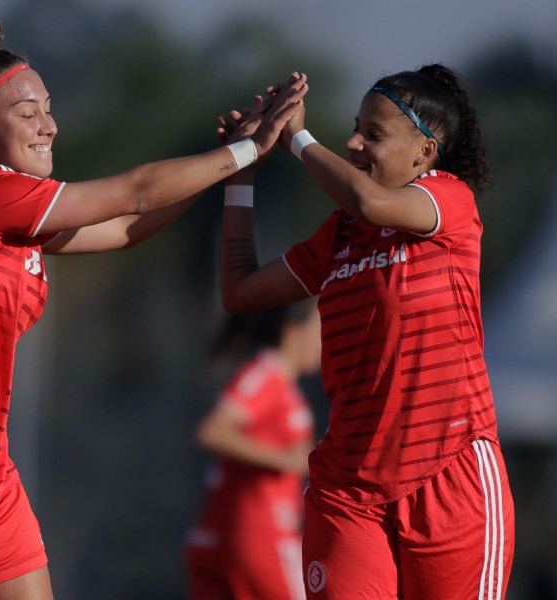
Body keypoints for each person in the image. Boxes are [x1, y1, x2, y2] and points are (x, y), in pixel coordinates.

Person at [0, 16, 308, 600]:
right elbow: (134, 191)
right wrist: (245, 150)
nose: (49, 126)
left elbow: (128, 226)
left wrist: (233, 168)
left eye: (48, 108)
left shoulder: (17, 216)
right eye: (26, 112)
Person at [217, 64, 514, 599]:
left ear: (425, 153)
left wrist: (299, 139)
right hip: (348, 489)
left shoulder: (448, 201)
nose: (353, 143)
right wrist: (242, 171)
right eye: (355, 128)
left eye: (372, 135)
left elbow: (371, 201)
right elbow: (240, 291)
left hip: (449, 478)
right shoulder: (340, 236)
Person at [184, 301, 320, 600]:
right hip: (258, 534)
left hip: (220, 535)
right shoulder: (267, 372)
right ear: (291, 332)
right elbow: (213, 430)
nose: (324, 342)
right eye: (319, 329)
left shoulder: (281, 384)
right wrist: (285, 459)